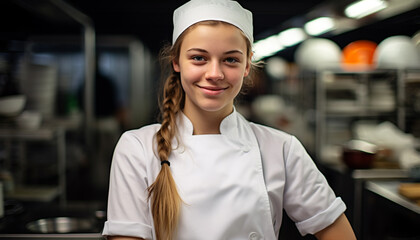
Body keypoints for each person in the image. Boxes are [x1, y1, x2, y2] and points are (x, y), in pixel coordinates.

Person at [102, 0, 357, 239]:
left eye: (230, 60)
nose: (214, 74)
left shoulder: (281, 149)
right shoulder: (137, 148)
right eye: (199, 58)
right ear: (176, 62)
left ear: (247, 65)